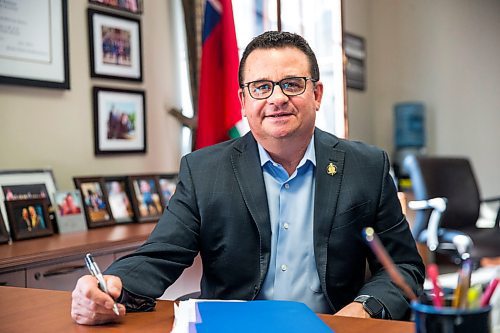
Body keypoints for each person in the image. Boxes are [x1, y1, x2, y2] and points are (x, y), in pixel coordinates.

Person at [71, 31, 424, 325]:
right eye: (261, 87)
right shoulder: (204, 170)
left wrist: (361, 311)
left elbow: (404, 266)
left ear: (316, 94)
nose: (277, 99)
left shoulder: (366, 165)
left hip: (331, 325)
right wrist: (110, 284)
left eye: (292, 84)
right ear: (243, 100)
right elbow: (160, 254)